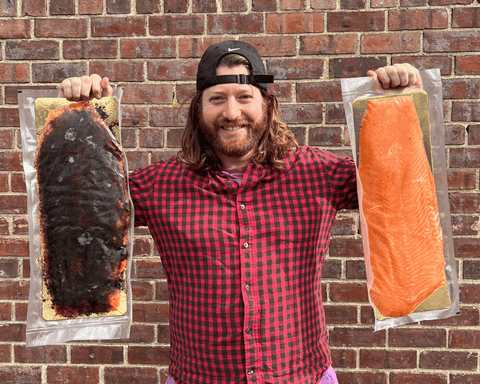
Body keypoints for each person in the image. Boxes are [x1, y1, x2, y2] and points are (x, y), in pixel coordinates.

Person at [59, 40, 423, 384]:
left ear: (266, 104)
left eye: (244, 97)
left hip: (301, 375)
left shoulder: (318, 174)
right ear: (198, 109)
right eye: (217, 98)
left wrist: (400, 106)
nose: (232, 113)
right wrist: (88, 114)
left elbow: (400, 186)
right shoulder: (160, 185)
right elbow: (85, 210)